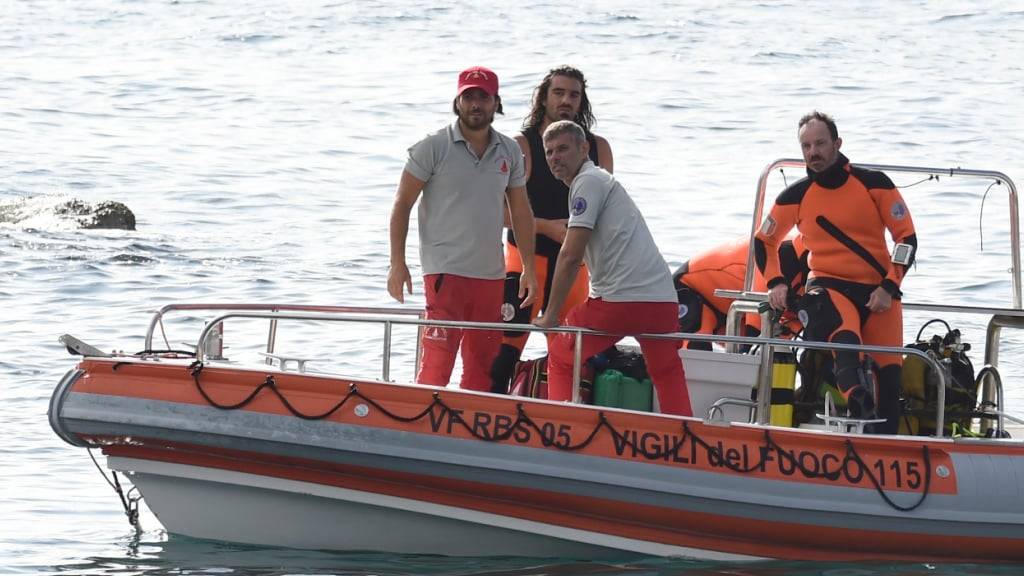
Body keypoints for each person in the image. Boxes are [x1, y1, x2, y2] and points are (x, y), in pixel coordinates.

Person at [755, 111, 917, 433]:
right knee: (844, 343)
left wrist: (889, 285)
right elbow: (764, 240)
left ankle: (884, 448)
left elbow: (906, 238)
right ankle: (856, 398)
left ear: (837, 143)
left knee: (888, 382)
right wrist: (775, 282)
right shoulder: (796, 196)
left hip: (878, 292)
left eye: (819, 143)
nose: (813, 152)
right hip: (828, 287)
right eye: (806, 146)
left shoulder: (874, 184)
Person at [388, 66, 538, 391]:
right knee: (437, 364)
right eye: (468, 97)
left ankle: (470, 434)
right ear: (457, 102)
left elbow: (521, 211)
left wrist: (528, 266)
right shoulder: (432, 147)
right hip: (445, 272)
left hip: (490, 275)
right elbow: (402, 204)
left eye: (483, 97)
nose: (475, 104)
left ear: (496, 102)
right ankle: (422, 431)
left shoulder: (509, 150)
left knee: (482, 369)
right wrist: (397, 264)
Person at [533, 120, 691, 416]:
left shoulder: (588, 181)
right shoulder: (604, 182)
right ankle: (682, 438)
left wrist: (551, 316)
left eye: (563, 149)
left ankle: (561, 425)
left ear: (584, 148)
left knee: (561, 354)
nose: (555, 157)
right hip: (662, 301)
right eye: (549, 152)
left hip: (619, 302)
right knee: (667, 372)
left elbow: (570, 254)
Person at [490, 66, 614, 393]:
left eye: (574, 95)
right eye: (558, 93)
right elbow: (495, 212)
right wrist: (546, 227)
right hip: (527, 261)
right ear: (543, 98)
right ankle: (487, 414)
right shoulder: (522, 145)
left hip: (575, 265)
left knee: (573, 355)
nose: (566, 100)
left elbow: (608, 210)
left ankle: (564, 421)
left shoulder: (598, 148)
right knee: (505, 349)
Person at [674, 234, 809, 350]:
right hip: (692, 290)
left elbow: (795, 321)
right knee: (696, 352)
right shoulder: (784, 253)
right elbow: (759, 304)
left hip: (734, 312)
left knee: (770, 355)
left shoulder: (819, 272)